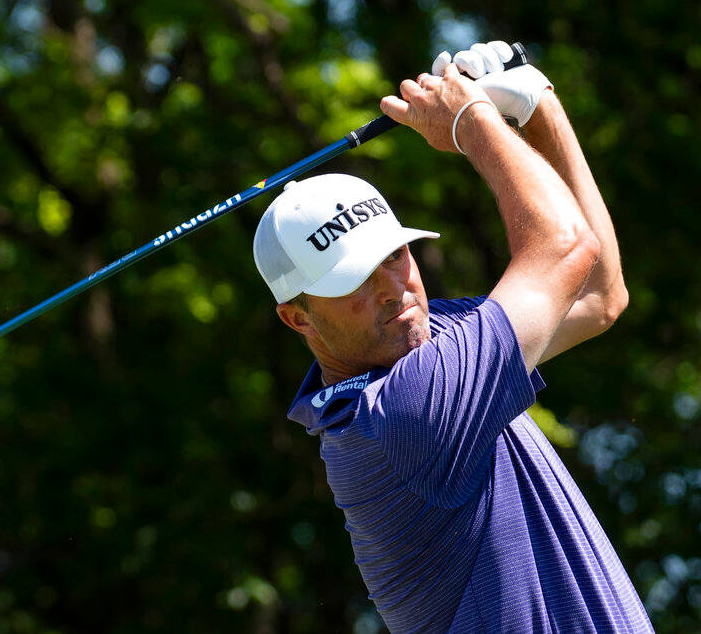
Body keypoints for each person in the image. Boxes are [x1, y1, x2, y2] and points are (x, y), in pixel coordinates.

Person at [252, 41, 651, 632]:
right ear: (298, 317)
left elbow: (596, 296)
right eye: (353, 278)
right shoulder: (402, 417)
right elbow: (564, 248)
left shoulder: (438, 338)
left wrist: (537, 106)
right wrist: (471, 121)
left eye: (394, 254)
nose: (394, 287)